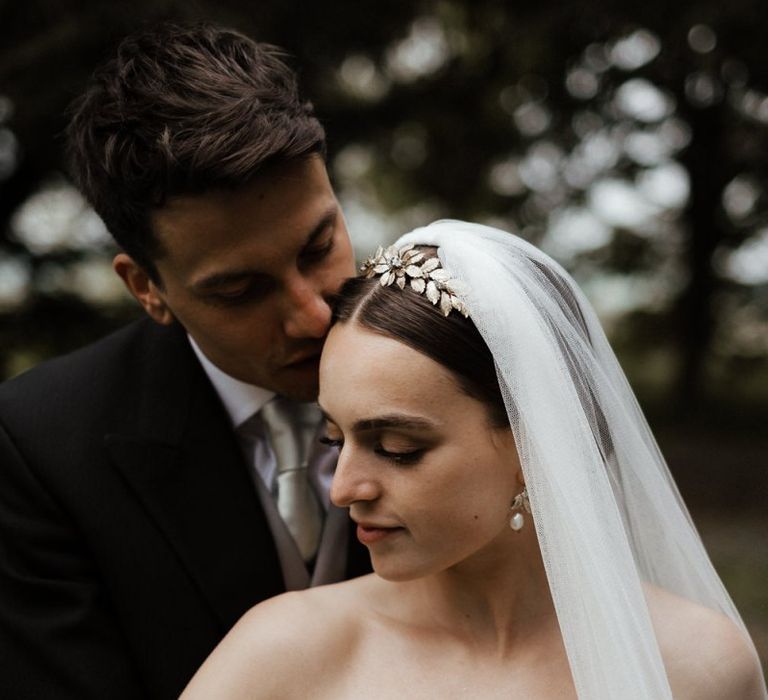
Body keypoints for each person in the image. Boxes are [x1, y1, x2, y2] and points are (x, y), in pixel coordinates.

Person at [182, 220, 767, 699]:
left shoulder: (700, 667)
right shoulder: (285, 655)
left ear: (533, 448)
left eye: (396, 448)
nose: (344, 489)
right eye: (335, 440)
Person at [0, 22, 370, 699]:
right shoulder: (40, 448)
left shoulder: (468, 369)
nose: (313, 314)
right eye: (240, 289)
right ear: (147, 289)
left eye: (318, 248)